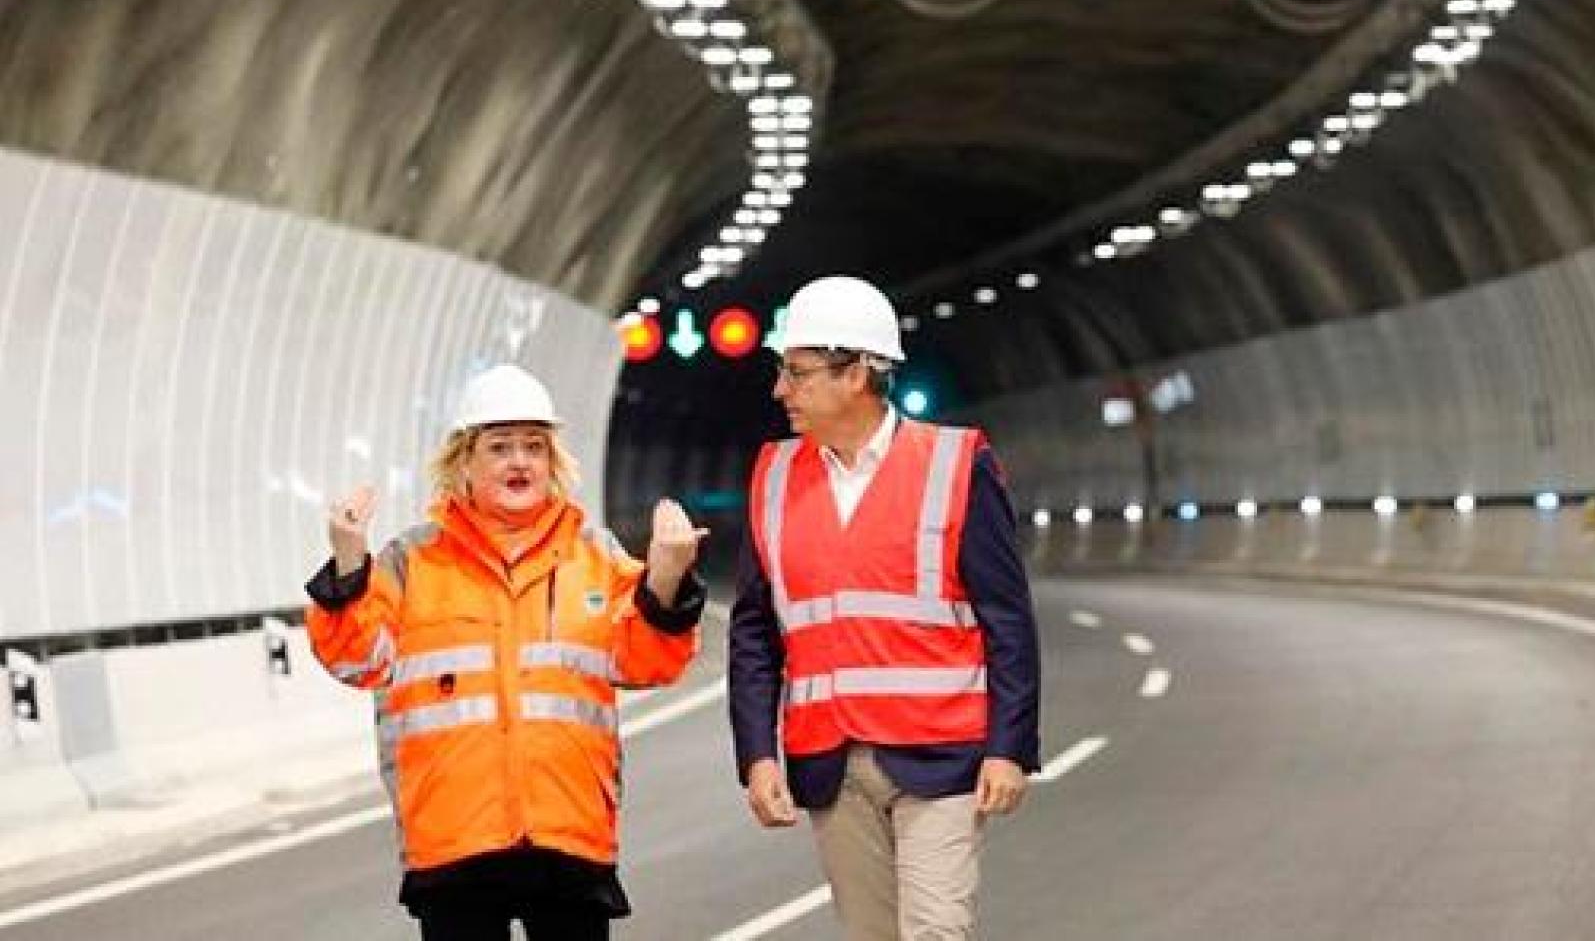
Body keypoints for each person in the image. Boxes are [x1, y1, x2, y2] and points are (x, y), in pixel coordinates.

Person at [304, 363, 707, 941]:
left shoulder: (594, 556)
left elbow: (649, 662)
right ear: (463, 462)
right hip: (454, 842)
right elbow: (355, 660)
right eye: (500, 447)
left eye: (534, 447)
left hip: (569, 835)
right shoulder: (411, 561)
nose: (520, 461)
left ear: (553, 461)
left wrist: (666, 579)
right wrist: (348, 565)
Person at [729, 276, 1042, 940]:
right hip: (828, 761)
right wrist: (757, 754)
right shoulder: (774, 476)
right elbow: (755, 630)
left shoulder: (956, 464)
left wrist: (1009, 748)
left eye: (796, 371)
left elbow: (1006, 619)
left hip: (944, 755)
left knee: (934, 931)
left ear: (858, 374)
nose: (779, 389)